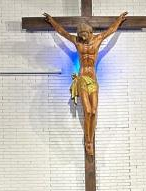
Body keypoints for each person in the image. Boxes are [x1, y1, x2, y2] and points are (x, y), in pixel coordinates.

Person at [43, 11, 128, 156]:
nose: (83, 37)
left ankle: (91, 137)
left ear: (90, 32)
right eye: (80, 34)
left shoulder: (98, 39)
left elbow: (111, 31)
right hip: (82, 77)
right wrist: (52, 22)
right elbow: (62, 32)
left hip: (93, 79)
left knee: (94, 111)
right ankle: (88, 141)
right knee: (87, 111)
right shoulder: (77, 42)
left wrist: (119, 20)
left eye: (85, 34)